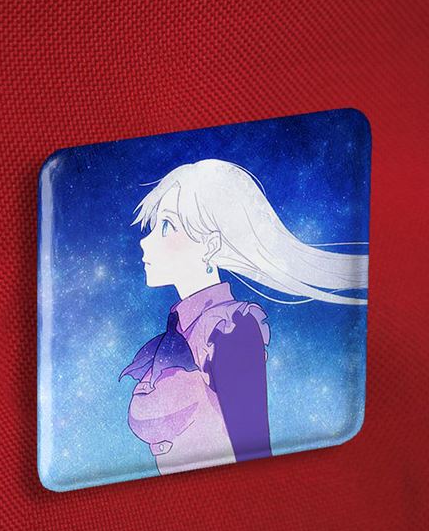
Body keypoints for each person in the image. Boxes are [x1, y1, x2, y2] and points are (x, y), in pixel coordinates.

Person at [120, 159, 368, 475]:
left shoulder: (231, 328)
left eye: (167, 226)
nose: (146, 241)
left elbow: (253, 450)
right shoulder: (180, 329)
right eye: (155, 227)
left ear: (210, 244)